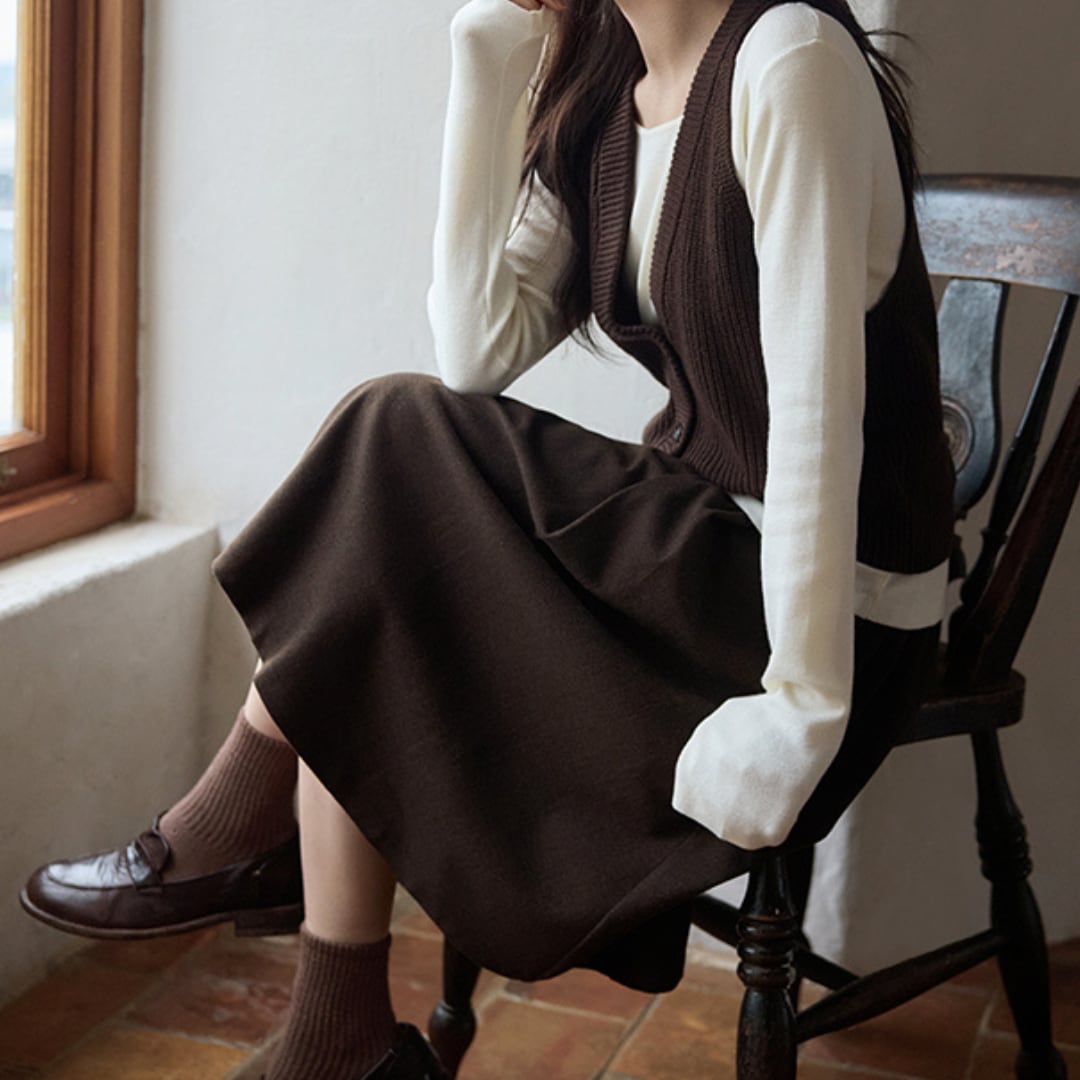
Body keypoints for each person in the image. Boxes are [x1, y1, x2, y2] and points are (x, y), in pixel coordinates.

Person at [19, 0, 957, 1076]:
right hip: (705, 551)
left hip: (831, 616)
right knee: (390, 525)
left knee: (393, 444)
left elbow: (817, 425)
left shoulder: (787, 62)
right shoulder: (610, 88)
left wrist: (800, 705)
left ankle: (247, 835)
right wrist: (487, 56)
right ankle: (338, 1035)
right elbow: (475, 348)